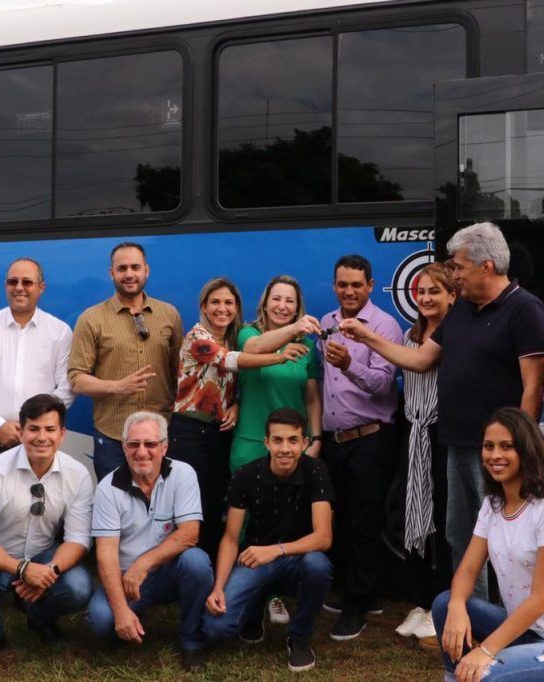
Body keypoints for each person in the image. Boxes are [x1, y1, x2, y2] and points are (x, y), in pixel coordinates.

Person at [339, 223, 544, 601]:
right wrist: (367, 335)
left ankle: (506, 620)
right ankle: (473, 616)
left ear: (486, 266)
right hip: (456, 441)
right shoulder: (463, 311)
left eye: (458, 267)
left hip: (498, 451)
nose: (453, 275)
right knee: (462, 534)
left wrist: (522, 448)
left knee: (506, 537)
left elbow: (533, 387)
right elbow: (420, 360)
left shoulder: (525, 309)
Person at [432, 407, 544, 681]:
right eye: (488, 446)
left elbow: (541, 598)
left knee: (485, 674)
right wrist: (458, 607)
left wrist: (485, 650)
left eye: (507, 446)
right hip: (524, 633)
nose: (495, 455)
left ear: (526, 451)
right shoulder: (492, 505)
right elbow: (468, 570)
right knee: (445, 603)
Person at [169, 277, 305, 556]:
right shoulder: (198, 337)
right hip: (189, 431)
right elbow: (232, 361)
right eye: (215, 302)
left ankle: (209, 567)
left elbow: (244, 383)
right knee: (191, 505)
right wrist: (281, 357)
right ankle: (186, 569)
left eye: (229, 303)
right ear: (204, 307)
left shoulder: (233, 337)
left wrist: (238, 404)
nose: (222, 308)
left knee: (216, 501)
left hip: (219, 433)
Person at [0, 394, 93, 668]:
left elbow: (79, 539)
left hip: (43, 554)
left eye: (50, 429)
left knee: (79, 587)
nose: (41, 437)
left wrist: (49, 572)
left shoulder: (78, 474)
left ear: (63, 434)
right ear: (20, 431)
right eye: (33, 429)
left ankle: (40, 618)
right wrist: (22, 570)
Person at [202, 408, 334, 673]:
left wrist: (277, 550)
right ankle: (255, 606)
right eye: (277, 440)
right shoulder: (246, 475)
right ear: (266, 443)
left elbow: (323, 538)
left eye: (293, 440)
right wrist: (218, 586)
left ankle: (298, 638)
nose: (285, 448)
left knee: (319, 566)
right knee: (216, 629)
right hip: (255, 562)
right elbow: (229, 539)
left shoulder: (316, 470)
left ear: (305, 442)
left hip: (297, 559)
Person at [86, 411, 213, 672]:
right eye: (134, 444)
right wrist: (120, 611)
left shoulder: (183, 473)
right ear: (123, 447)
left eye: (150, 444)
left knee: (197, 562)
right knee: (100, 622)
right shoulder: (107, 489)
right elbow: (105, 556)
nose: (142, 452)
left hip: (166, 572)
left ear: (165, 446)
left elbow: (190, 533)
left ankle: (191, 639)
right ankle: (130, 617)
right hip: (126, 580)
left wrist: (144, 563)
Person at [230, 274, 323, 625]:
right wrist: (290, 337)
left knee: (284, 523)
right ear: (265, 303)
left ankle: (276, 596)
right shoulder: (249, 334)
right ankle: (247, 596)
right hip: (251, 443)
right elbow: (253, 352)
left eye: (290, 301)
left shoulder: (308, 347)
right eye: (277, 299)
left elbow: (312, 396)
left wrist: (316, 438)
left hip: (292, 447)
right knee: (245, 523)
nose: (282, 306)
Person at [317, 254, 401, 640]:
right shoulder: (326, 323)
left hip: (370, 438)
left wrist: (351, 363)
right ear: (334, 286)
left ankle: (357, 607)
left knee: (365, 523)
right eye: (342, 284)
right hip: (334, 442)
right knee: (339, 518)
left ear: (370, 285)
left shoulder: (385, 326)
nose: (348, 291)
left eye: (356, 284)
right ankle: (357, 591)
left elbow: (385, 386)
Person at [69, 242, 183, 480]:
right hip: (113, 437)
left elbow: (179, 373)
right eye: (122, 268)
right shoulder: (91, 319)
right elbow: (77, 380)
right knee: (114, 509)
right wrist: (118, 386)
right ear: (112, 273)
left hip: (160, 434)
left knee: (160, 509)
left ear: (146, 270)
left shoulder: (169, 315)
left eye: (135, 267)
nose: (129, 274)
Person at [0, 257, 75, 468]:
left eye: (27, 282)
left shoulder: (59, 332)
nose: (19, 288)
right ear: (6, 286)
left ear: (41, 288)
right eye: (13, 282)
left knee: (40, 499)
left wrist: (34, 425)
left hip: (41, 440)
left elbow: (67, 387)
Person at [394, 264, 455, 643]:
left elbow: (423, 365)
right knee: (411, 515)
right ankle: (419, 601)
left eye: (436, 291)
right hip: (412, 432)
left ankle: (441, 605)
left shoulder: (455, 334)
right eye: (422, 291)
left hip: (442, 432)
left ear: (452, 295)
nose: (427, 298)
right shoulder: (408, 334)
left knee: (445, 522)